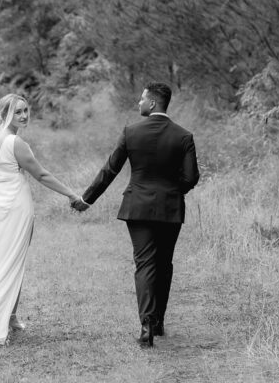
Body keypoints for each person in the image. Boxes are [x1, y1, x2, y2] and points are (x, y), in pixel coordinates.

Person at [71, 82, 200, 347]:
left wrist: (87, 199)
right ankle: (158, 322)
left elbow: (110, 170)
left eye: (142, 99)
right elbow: (191, 177)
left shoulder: (131, 132)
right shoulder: (183, 136)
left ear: (153, 103)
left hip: (137, 208)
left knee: (144, 264)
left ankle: (146, 325)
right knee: (164, 264)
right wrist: (172, 191)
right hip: (170, 208)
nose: (138, 103)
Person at [0, 93, 89, 352]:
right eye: (18, 112)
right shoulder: (15, 142)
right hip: (11, 209)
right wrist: (72, 194)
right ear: (6, 113)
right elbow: (41, 174)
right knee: (10, 263)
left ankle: (9, 316)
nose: (24, 116)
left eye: (26, 110)